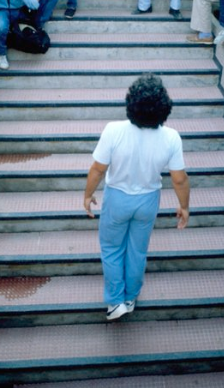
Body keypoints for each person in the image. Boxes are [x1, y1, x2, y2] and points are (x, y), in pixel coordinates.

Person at [83, 73, 190, 321]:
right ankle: (131, 296)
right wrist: (184, 206)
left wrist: (88, 195)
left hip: (117, 198)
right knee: (137, 250)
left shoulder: (113, 130)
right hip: (148, 199)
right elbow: (179, 179)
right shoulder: (171, 137)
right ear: (164, 108)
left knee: (111, 248)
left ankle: (115, 301)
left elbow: (98, 169)